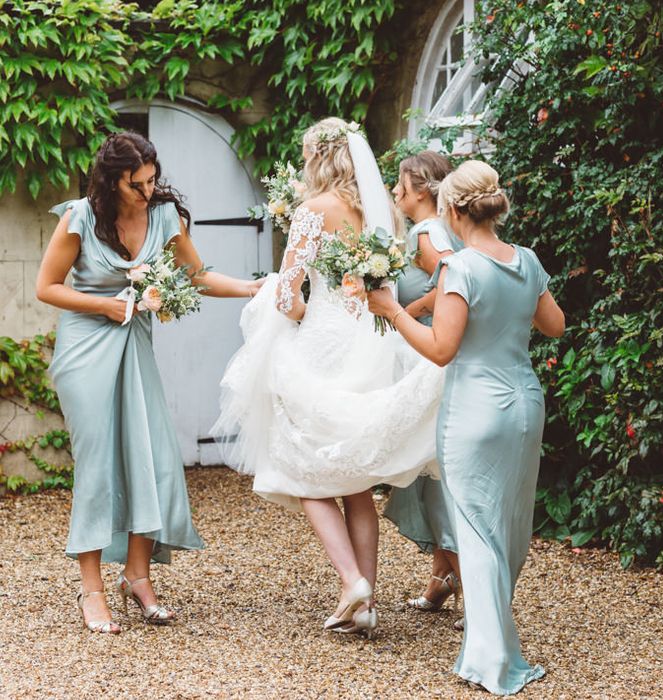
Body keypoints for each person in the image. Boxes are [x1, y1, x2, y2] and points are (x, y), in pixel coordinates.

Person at [214, 118, 444, 639]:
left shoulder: (311, 212)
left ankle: (352, 584)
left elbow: (288, 297)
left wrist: (292, 312)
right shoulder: (380, 211)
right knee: (355, 478)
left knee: (305, 469)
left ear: (318, 158)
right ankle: (366, 600)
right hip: (368, 339)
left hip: (320, 341)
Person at [36, 131, 262, 634]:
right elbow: (46, 287)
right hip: (86, 349)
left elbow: (197, 276)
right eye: (136, 184)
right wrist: (105, 303)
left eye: (152, 180)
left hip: (134, 347)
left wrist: (251, 287)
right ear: (111, 181)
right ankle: (91, 590)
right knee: (97, 464)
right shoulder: (79, 217)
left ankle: (137, 578)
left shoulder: (164, 216)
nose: (147, 190)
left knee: (154, 458)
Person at [368, 160, 565, 695]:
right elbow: (554, 325)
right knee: (509, 524)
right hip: (525, 406)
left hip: (476, 410)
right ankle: (493, 632)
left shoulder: (461, 270)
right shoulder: (525, 259)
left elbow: (440, 349)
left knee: (476, 528)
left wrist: (391, 309)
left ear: (453, 210)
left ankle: (490, 659)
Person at [384, 151, 462, 615]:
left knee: (437, 474)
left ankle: (470, 592)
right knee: (430, 470)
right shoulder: (430, 230)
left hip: (434, 362)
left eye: (401, 184)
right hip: (424, 360)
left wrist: (404, 312)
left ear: (422, 190)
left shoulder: (426, 232)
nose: (395, 191)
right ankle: (441, 577)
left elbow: (458, 277)